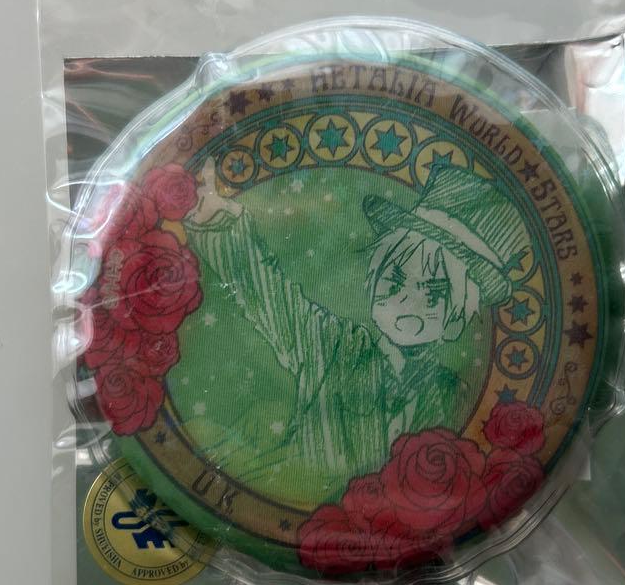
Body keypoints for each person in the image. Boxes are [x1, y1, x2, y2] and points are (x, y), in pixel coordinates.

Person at [184, 156, 529, 484]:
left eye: (433, 294)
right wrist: (220, 224)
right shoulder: (333, 345)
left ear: (456, 320)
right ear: (373, 277)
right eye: (394, 280)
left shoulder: (453, 394)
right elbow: (272, 297)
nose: (405, 300)